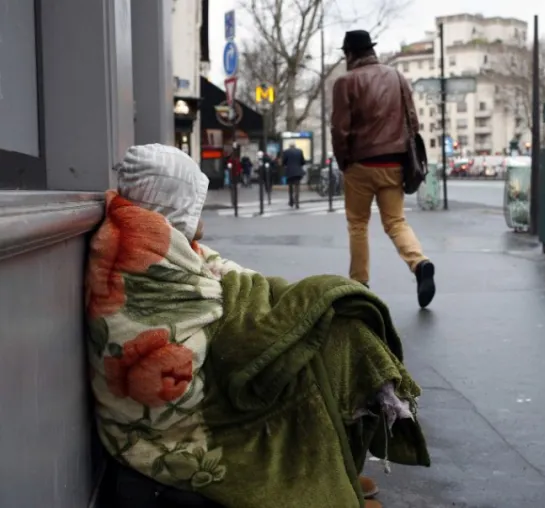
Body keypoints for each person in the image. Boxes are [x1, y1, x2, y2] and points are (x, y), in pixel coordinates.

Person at [86, 144, 429, 508]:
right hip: (174, 429)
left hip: (203, 383)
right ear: (174, 203)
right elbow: (187, 359)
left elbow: (232, 282)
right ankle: (318, 478)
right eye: (196, 200)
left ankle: (336, 466)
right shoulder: (140, 256)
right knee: (302, 361)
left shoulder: (158, 241)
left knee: (336, 324)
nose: (202, 210)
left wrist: (291, 304)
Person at [331, 30, 436, 308]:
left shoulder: (345, 82)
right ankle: (419, 263)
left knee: (358, 224)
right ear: (371, 50)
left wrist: (343, 162)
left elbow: (340, 129)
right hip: (394, 163)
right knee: (396, 221)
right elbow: (412, 121)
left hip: (360, 164)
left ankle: (360, 283)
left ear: (350, 54)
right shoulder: (397, 77)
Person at [281, 143, 305, 208]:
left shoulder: (286, 152)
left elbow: (283, 162)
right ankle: (297, 202)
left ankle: (291, 201)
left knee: (290, 186)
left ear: (289, 146)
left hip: (290, 172)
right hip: (298, 172)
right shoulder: (299, 151)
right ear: (295, 146)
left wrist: (286, 165)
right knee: (297, 187)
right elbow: (303, 162)